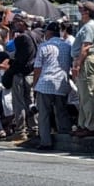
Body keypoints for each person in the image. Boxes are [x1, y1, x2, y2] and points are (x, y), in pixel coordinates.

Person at [31, 20, 73, 151]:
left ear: (48, 33)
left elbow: (38, 67)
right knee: (61, 111)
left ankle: (46, 142)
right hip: (61, 82)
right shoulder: (67, 46)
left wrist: (34, 83)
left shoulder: (44, 46)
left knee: (44, 114)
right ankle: (65, 137)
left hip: (45, 82)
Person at [6, 11, 38, 141]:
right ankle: (34, 128)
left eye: (16, 22)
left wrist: (11, 67)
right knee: (29, 102)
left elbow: (17, 58)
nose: (14, 25)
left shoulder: (21, 37)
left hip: (20, 73)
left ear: (22, 23)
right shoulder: (35, 35)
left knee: (19, 103)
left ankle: (20, 130)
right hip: (31, 73)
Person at [70, 1, 94, 137]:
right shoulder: (86, 26)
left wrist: (77, 64)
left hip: (86, 61)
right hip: (83, 60)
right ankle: (83, 124)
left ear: (87, 12)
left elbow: (86, 47)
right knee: (82, 95)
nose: (79, 11)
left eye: (81, 9)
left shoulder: (89, 27)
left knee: (87, 94)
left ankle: (90, 125)